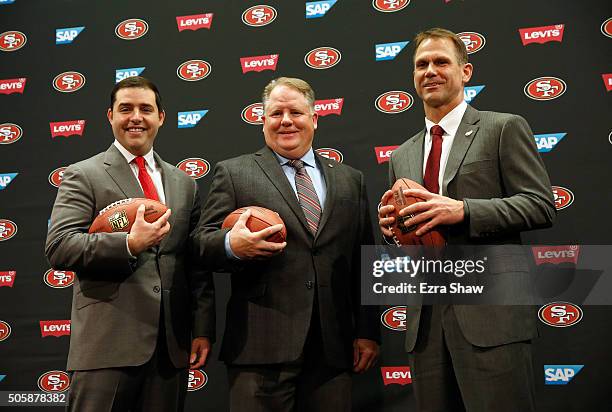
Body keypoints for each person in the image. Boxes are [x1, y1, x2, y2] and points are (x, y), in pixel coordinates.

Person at [378, 28, 556, 411]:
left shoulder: (502, 127)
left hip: (491, 318)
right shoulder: (401, 156)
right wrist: (393, 234)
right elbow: (402, 252)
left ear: (466, 71)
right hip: (426, 324)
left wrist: (463, 210)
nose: (430, 71)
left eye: (441, 61)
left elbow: (540, 204)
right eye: (421, 64)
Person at [195, 77, 380, 411]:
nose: (285, 121)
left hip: (332, 350)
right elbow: (201, 245)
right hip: (260, 348)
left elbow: (364, 259)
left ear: (314, 119)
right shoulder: (234, 173)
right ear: (262, 121)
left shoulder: (351, 180)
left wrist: (368, 331)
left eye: (295, 112)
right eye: (275, 113)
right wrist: (232, 245)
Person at [45, 76, 215, 412]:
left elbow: (194, 264)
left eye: (145, 109)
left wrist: (201, 328)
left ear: (161, 117)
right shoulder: (84, 174)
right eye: (125, 109)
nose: (135, 117)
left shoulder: (184, 184)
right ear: (110, 116)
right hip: (107, 345)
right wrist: (127, 244)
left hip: (170, 348)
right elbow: (60, 246)